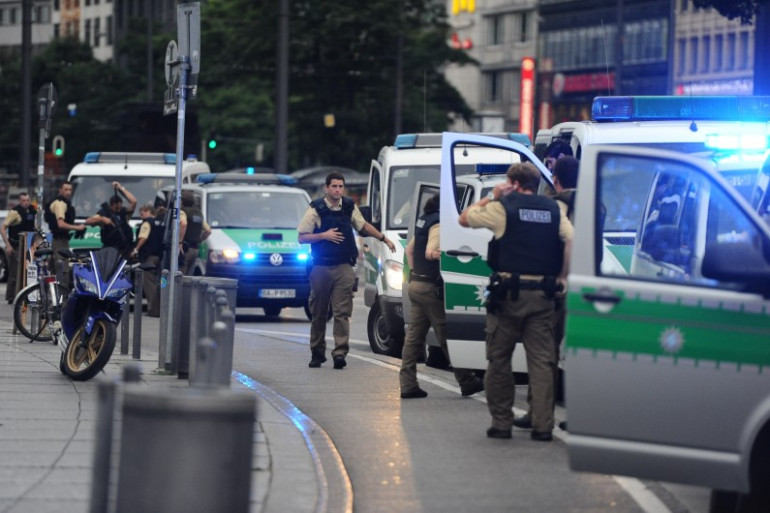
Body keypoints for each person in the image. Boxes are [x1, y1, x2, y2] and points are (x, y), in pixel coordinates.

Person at [459, 162, 572, 441]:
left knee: (499, 358)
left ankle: (502, 422)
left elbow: (464, 218)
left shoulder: (503, 207)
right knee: (543, 361)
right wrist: (562, 277)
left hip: (509, 294)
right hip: (543, 294)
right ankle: (543, 425)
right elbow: (571, 239)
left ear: (513, 183)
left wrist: (492, 195)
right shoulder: (554, 209)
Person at [297, 171, 396, 369]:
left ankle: (340, 353)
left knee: (342, 312)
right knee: (319, 312)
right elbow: (302, 237)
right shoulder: (316, 209)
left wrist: (383, 238)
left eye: (341, 186)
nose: (338, 190)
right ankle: (317, 352)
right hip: (321, 267)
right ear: (327, 188)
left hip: (343, 266)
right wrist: (323, 235)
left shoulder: (349, 206)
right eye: (334, 186)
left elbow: (364, 226)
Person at [513, 155, 579, 432]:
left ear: (555, 178)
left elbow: (562, 242)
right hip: (589, 287)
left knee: (544, 352)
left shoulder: (558, 206)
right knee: (581, 353)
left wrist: (560, 277)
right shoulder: (594, 203)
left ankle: (539, 413)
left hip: (559, 287)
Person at [399, 193, 485, 398]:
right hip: (429, 288)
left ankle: (408, 384)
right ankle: (467, 380)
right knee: (446, 333)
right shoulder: (438, 223)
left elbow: (410, 251)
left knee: (413, 338)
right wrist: (440, 254)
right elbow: (430, 251)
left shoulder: (424, 221)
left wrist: (414, 273)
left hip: (416, 284)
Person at [46, 181, 89, 289]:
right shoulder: (60, 203)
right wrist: (77, 228)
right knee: (62, 269)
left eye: (70, 190)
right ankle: (61, 297)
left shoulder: (65, 203)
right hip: (59, 241)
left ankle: (54, 295)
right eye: (66, 189)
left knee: (55, 268)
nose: (68, 192)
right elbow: (61, 224)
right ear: (60, 190)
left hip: (60, 239)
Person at [86, 181, 137, 257]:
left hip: (125, 248)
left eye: (120, 207)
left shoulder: (123, 212)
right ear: (111, 205)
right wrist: (102, 219)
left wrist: (120, 188)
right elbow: (88, 221)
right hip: (110, 249)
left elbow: (133, 201)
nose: (119, 210)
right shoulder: (104, 212)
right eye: (116, 208)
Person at [2, 193, 36, 303]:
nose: (26, 202)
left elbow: (33, 226)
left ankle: (24, 295)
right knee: (15, 272)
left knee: (28, 271)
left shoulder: (31, 210)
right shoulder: (15, 212)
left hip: (29, 244)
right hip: (17, 245)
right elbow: (3, 228)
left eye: (27, 200)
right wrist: (8, 245)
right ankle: (12, 297)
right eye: (23, 200)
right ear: (19, 201)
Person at [131, 205, 165, 317]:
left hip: (149, 257)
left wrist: (136, 249)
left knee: (149, 284)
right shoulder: (160, 222)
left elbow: (143, 237)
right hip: (159, 256)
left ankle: (153, 310)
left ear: (147, 212)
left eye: (142, 214)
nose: (141, 217)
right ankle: (158, 309)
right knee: (157, 283)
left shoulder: (147, 223)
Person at [179, 191, 211, 275]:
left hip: (184, 248)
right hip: (195, 248)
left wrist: (180, 242)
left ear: (182, 201)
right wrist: (200, 240)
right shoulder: (198, 213)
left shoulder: (183, 211)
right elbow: (208, 230)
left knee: (180, 275)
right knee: (189, 275)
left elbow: (184, 223)